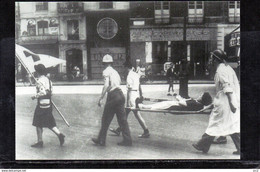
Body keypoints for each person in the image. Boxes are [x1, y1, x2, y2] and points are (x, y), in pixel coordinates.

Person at [192, 49, 240, 155]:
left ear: (215, 59)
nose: (210, 60)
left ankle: (202, 144)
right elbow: (235, 85)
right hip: (230, 100)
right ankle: (241, 148)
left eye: (211, 58)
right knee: (232, 124)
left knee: (215, 123)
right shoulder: (228, 68)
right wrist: (235, 101)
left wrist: (232, 103)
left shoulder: (221, 70)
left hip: (225, 102)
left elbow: (227, 87)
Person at [92, 54, 132, 146]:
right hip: (120, 95)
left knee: (105, 119)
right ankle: (127, 140)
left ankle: (101, 140)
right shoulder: (115, 72)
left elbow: (106, 85)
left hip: (113, 96)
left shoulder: (106, 71)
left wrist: (101, 98)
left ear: (104, 63)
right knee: (122, 120)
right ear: (111, 63)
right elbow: (119, 83)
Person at [109, 62, 150, 138]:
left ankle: (146, 131)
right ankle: (119, 130)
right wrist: (141, 95)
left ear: (127, 67)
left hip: (132, 97)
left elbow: (129, 90)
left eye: (124, 67)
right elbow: (139, 86)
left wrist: (127, 102)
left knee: (136, 114)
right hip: (136, 94)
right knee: (125, 114)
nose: (123, 69)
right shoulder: (136, 75)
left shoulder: (129, 76)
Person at [31, 64, 65, 148]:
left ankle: (40, 141)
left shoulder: (39, 81)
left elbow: (43, 92)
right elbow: (50, 92)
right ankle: (60, 135)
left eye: (36, 70)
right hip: (48, 104)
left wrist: (34, 96)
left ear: (38, 72)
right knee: (49, 122)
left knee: (37, 123)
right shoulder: (48, 80)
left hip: (42, 105)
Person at [138, 92, 212, 111]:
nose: (199, 96)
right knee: (161, 104)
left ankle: (143, 106)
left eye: (200, 96)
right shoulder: (197, 103)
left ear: (202, 99)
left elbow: (182, 103)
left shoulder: (196, 104)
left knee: (159, 106)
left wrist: (179, 98)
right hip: (175, 104)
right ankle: (143, 106)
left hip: (175, 106)